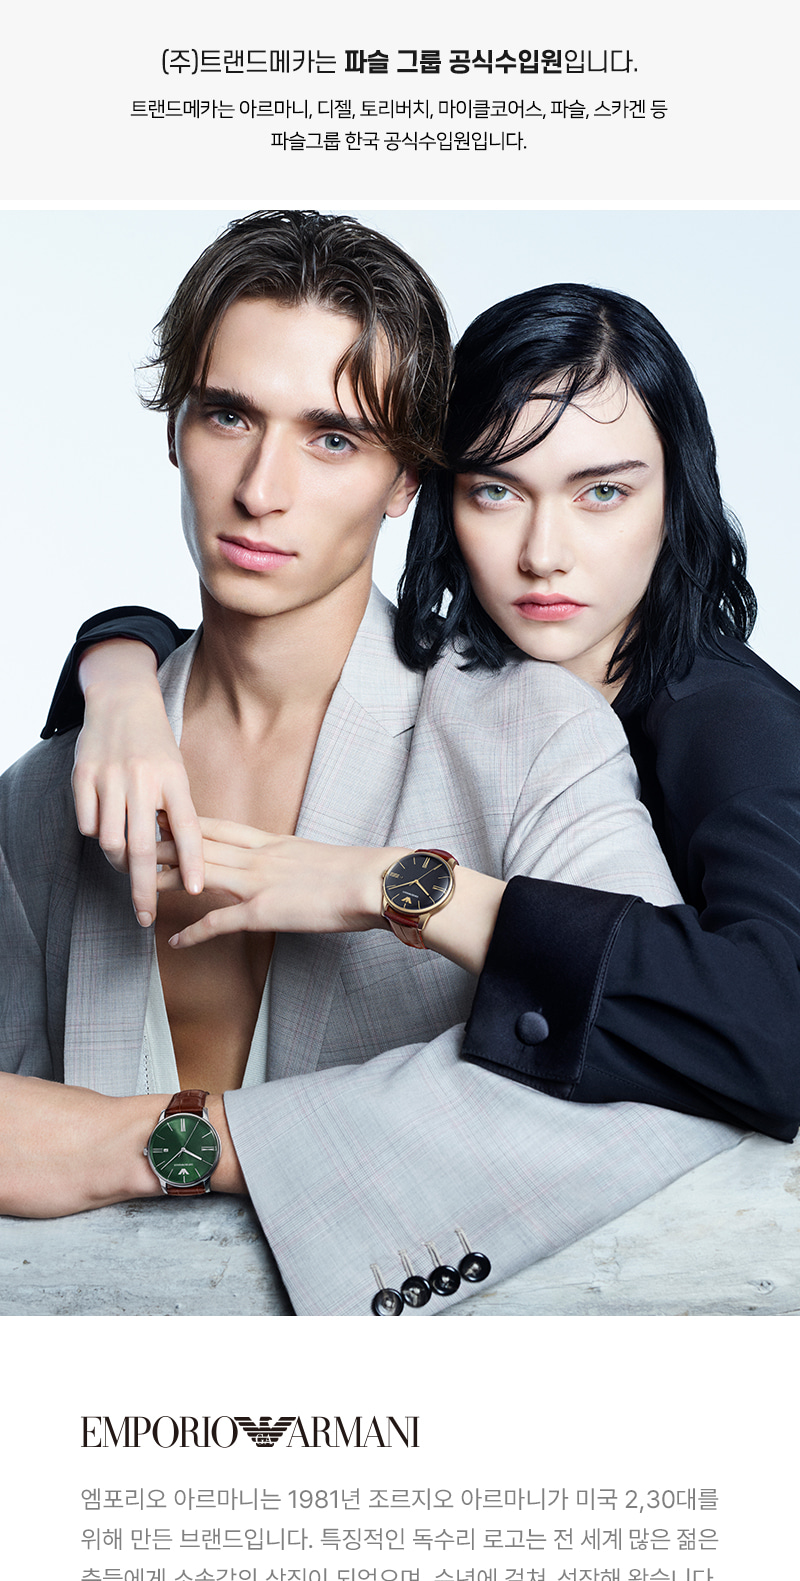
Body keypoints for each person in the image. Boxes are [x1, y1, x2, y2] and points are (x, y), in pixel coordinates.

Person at [2, 214, 741, 1318]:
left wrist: (152, 1141)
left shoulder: (529, 737)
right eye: (229, 414)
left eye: (334, 438)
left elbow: (661, 1075)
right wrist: (113, 670)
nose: (262, 487)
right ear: (176, 429)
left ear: (406, 481)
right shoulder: (40, 800)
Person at [56, 280, 800, 1151]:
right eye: (497, 491)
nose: (544, 554)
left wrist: (396, 887)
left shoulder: (735, 725)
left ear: (676, 497)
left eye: (602, 493)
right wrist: (118, 675)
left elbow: (778, 1037)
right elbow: (248, 642)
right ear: (434, 491)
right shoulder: (472, 682)